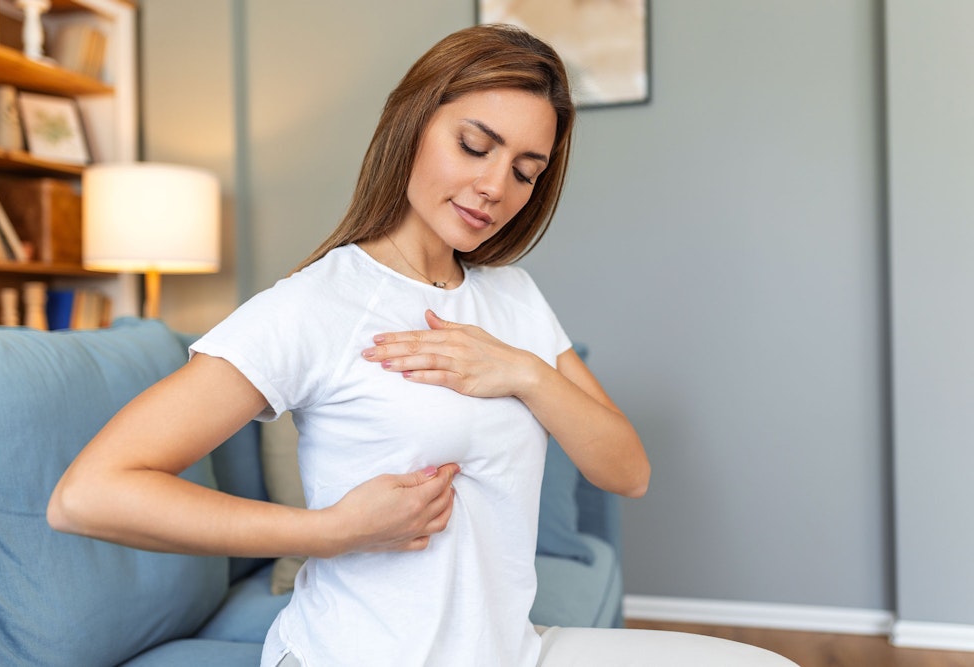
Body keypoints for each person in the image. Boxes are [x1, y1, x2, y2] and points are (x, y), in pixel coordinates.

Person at [48, 23, 650, 667]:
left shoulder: (516, 299)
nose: (496, 188)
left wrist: (525, 373)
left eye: (526, 171)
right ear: (412, 124)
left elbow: (627, 472)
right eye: (475, 146)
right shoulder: (316, 304)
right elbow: (87, 495)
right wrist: (330, 532)